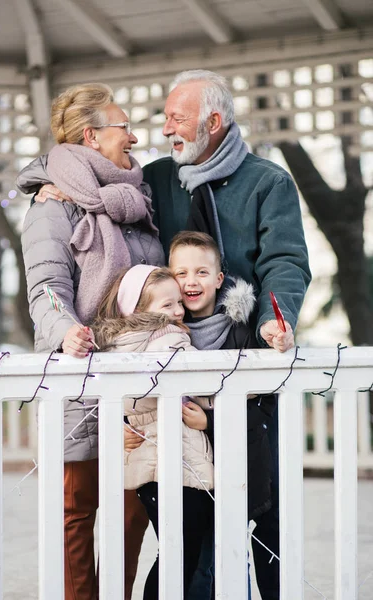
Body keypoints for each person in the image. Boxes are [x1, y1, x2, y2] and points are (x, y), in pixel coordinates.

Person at [142, 70, 311, 599]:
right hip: (180, 372)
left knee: (269, 506)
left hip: (250, 366)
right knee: (190, 517)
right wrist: (51, 184)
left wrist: (275, 318)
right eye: (166, 115)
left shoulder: (269, 181)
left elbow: (285, 260)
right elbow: (102, 186)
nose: (166, 126)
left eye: (178, 116)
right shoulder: (156, 179)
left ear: (213, 121)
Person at [19, 83, 164, 600]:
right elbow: (46, 290)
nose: (135, 135)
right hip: (79, 379)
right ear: (92, 135)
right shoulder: (51, 208)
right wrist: (66, 333)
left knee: (131, 515)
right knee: (75, 515)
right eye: (124, 126)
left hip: (135, 387)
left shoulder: (136, 202)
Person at [91, 264, 215, 600]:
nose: (178, 311)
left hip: (148, 466)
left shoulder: (116, 345)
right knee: (180, 553)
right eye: (167, 305)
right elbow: (207, 383)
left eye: (178, 302)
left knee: (174, 551)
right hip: (178, 460)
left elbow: (120, 401)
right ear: (139, 310)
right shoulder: (170, 339)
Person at [169, 231, 280, 599]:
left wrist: (211, 422)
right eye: (181, 273)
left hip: (238, 460)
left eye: (201, 272)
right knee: (192, 556)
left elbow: (260, 406)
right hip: (186, 465)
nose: (190, 281)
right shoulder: (163, 330)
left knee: (232, 551)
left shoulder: (243, 330)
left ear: (219, 279)